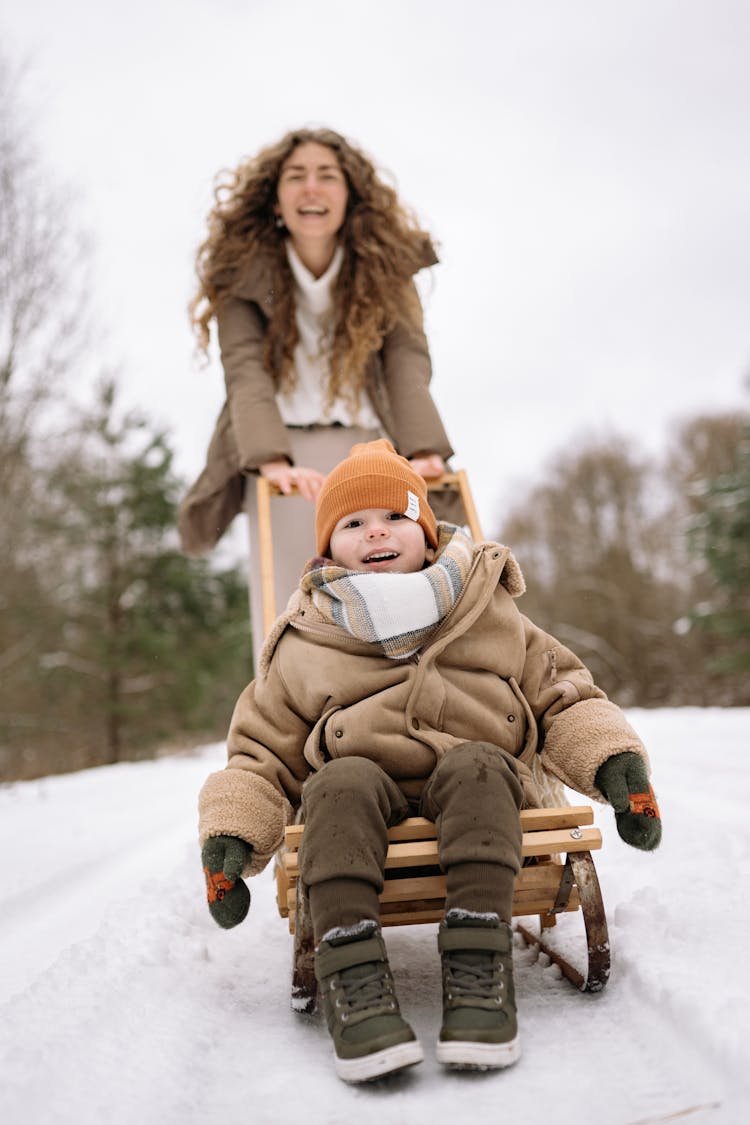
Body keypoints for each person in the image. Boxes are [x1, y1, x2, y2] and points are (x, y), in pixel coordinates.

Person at [198, 439, 662, 1084]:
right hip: (359, 808)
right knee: (338, 779)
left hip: (484, 792)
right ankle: (353, 973)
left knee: (477, 762)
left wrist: (614, 764)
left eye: (392, 517)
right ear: (329, 547)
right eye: (352, 525)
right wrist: (234, 832)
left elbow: (564, 693)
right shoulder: (306, 638)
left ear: (423, 527)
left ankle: (478, 968)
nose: (375, 533)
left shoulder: (488, 608)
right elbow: (260, 750)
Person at [178, 127, 457, 666]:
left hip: (373, 450)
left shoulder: (385, 266)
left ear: (350, 195)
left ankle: (395, 719)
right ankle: (293, 724)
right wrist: (270, 458)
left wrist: (424, 448)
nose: (312, 188)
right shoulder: (241, 271)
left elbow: (405, 356)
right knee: (293, 598)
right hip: (285, 456)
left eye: (327, 176)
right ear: (275, 197)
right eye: (297, 176)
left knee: (389, 590)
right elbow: (243, 369)